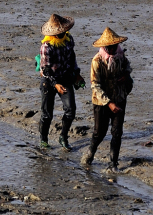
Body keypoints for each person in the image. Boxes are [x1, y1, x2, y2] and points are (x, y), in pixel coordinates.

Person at [81, 27, 133, 172]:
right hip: (101, 101)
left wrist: (126, 75)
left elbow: (128, 66)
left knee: (117, 132)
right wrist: (109, 103)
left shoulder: (120, 56)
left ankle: (113, 164)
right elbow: (95, 86)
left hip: (119, 97)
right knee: (99, 132)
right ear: (104, 47)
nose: (112, 49)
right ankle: (89, 155)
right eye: (109, 47)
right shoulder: (97, 61)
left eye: (114, 46)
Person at [38, 13, 83, 150]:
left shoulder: (69, 39)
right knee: (47, 114)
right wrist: (55, 84)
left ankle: (63, 136)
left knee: (71, 110)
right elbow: (45, 70)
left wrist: (77, 74)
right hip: (49, 80)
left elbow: (72, 58)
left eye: (62, 31)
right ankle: (43, 140)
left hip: (65, 77)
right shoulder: (46, 46)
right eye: (58, 32)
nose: (61, 34)